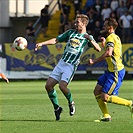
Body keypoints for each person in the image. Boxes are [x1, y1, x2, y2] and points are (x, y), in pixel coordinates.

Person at [35, 14, 101, 121]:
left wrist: (90, 39)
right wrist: (42, 43)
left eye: (77, 22)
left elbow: (98, 49)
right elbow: (56, 40)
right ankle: (57, 108)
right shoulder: (71, 33)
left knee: (62, 86)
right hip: (62, 63)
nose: (75, 24)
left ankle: (71, 102)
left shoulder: (87, 37)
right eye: (75, 22)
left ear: (84, 24)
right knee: (48, 86)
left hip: (71, 65)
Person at [88, 18, 133, 122]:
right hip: (110, 71)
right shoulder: (114, 37)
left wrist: (94, 61)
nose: (103, 27)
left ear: (110, 27)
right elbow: (111, 53)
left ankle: (130, 104)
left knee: (105, 97)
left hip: (115, 72)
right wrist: (104, 45)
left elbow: (108, 54)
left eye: (105, 25)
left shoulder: (111, 38)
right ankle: (106, 115)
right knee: (97, 91)